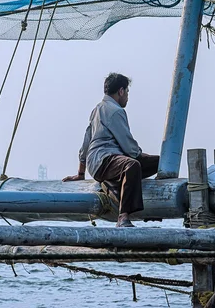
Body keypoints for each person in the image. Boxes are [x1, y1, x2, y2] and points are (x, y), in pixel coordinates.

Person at [62, 73, 159, 227]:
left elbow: (86, 142)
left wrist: (81, 173)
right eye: (127, 92)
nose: (127, 96)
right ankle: (123, 216)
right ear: (120, 91)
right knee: (132, 165)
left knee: (160, 162)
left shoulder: (97, 109)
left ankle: (113, 183)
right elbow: (129, 147)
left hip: (99, 163)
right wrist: (140, 155)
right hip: (104, 159)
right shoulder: (115, 111)